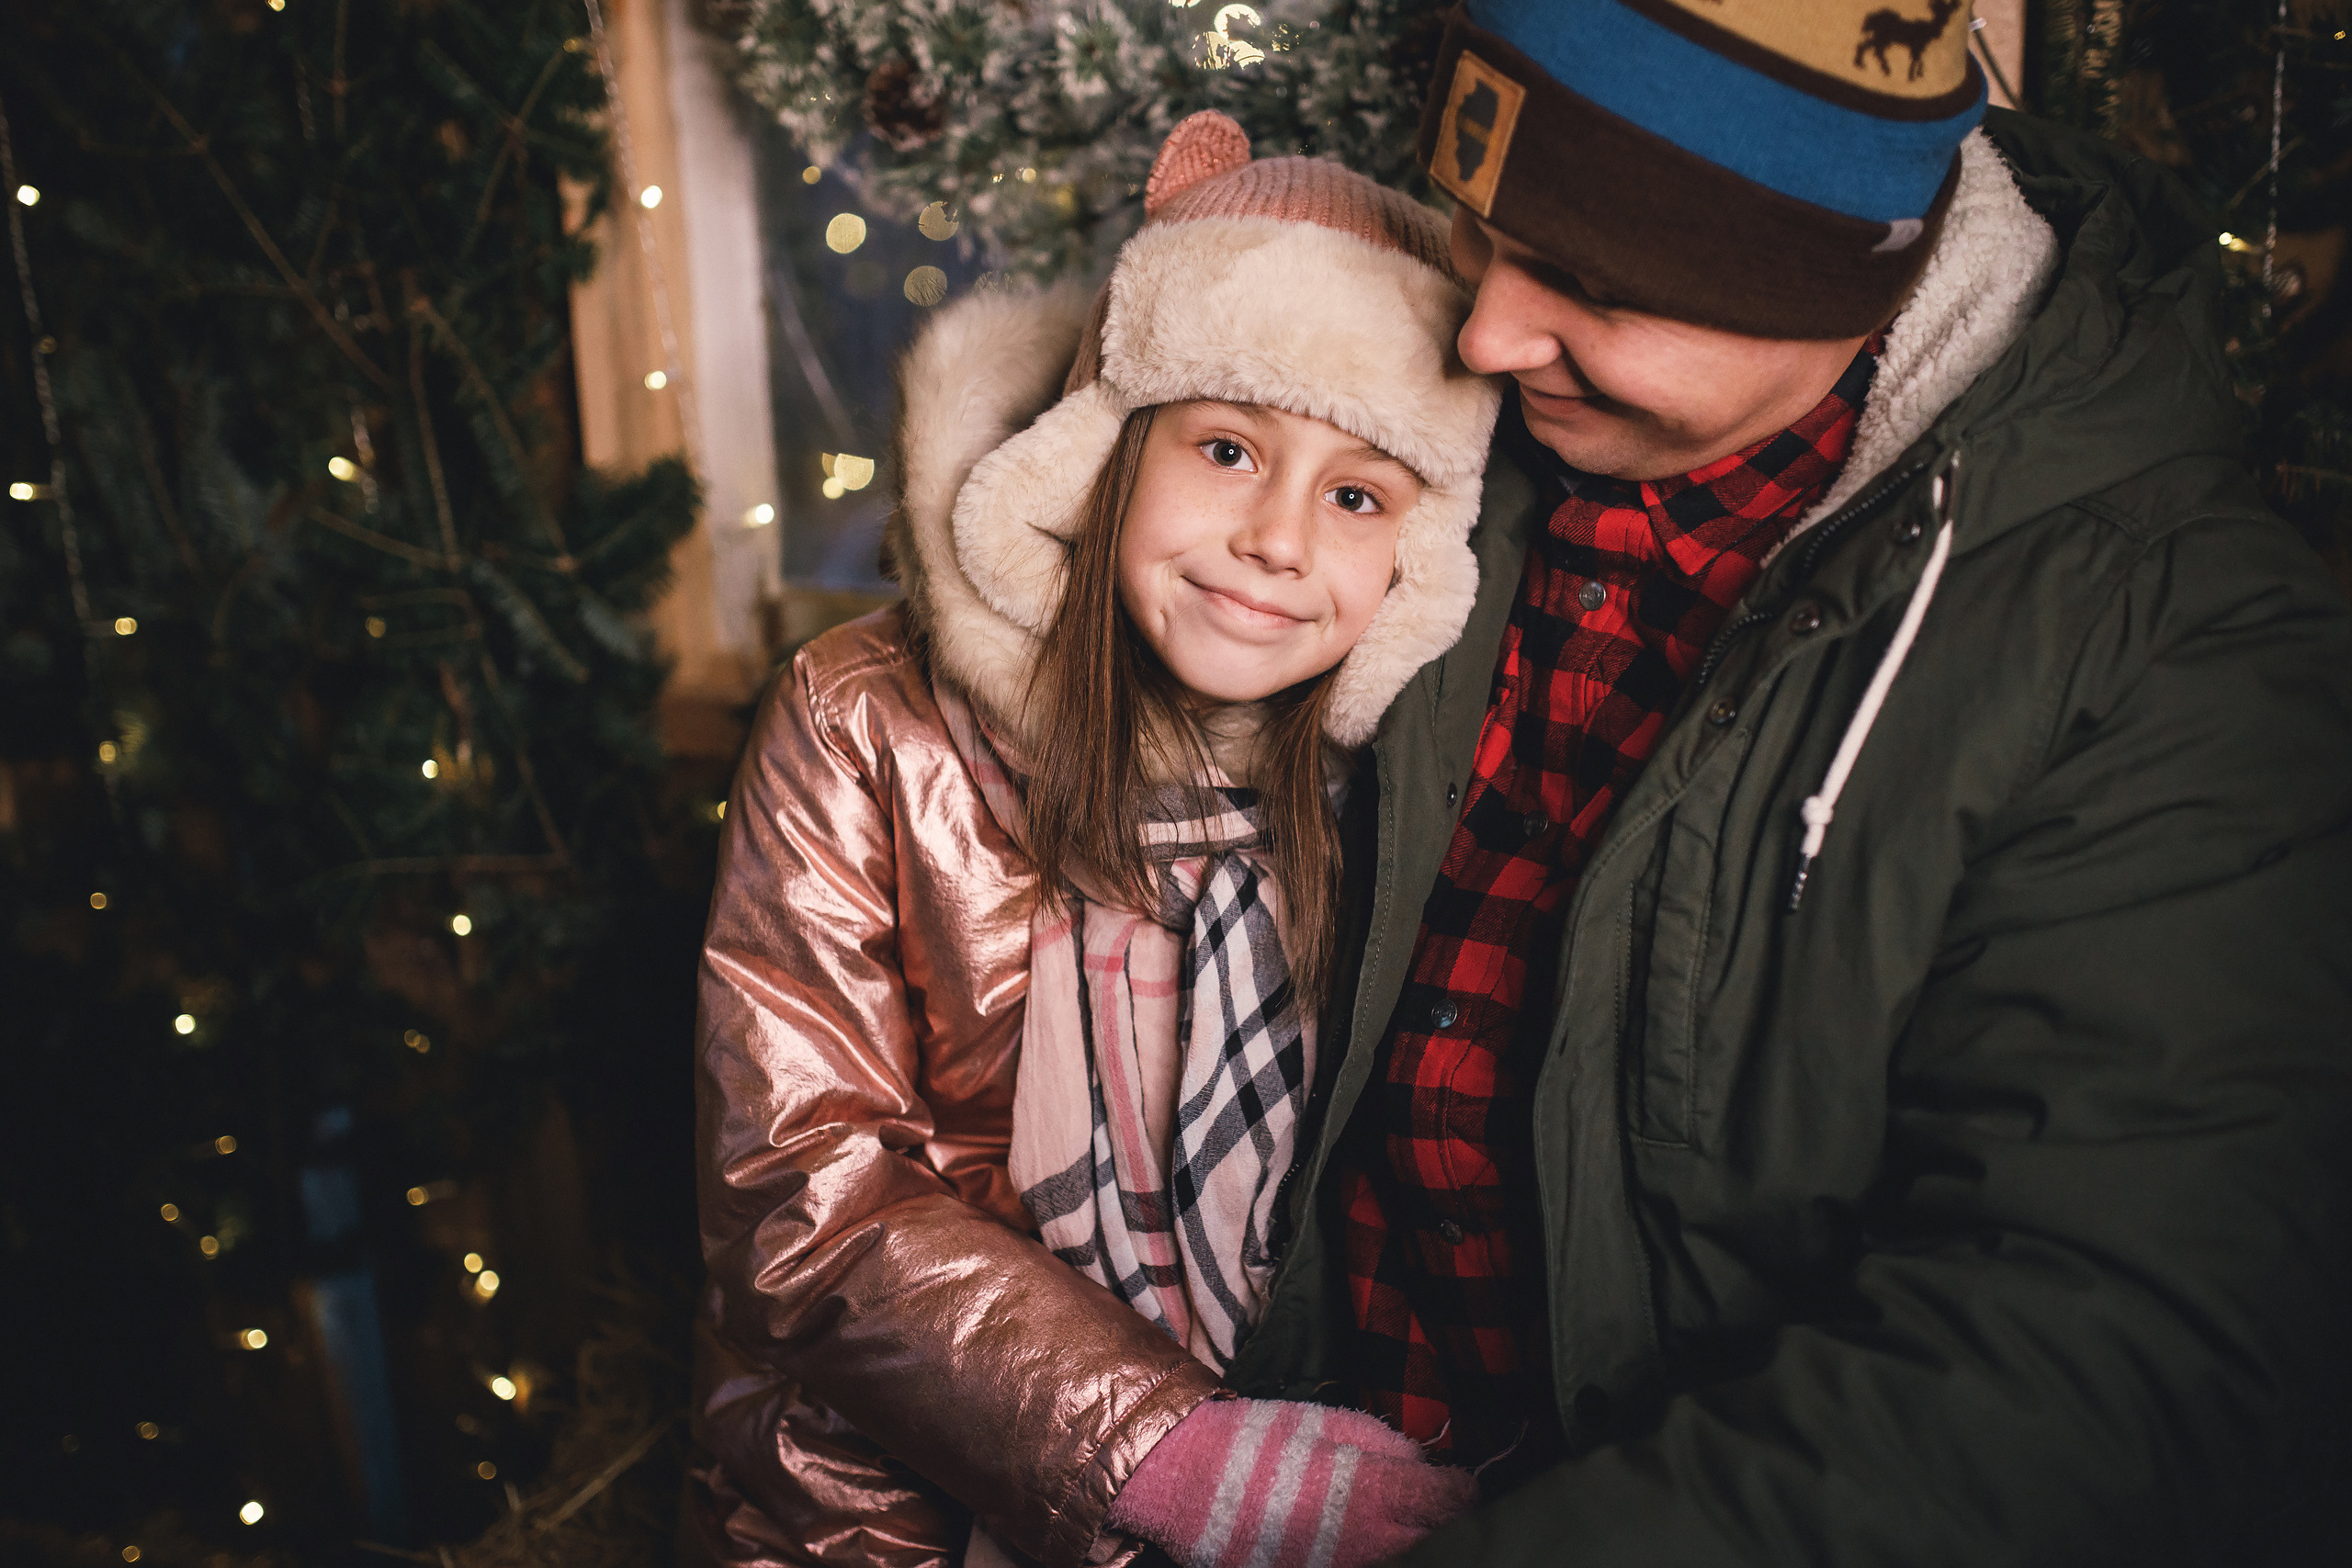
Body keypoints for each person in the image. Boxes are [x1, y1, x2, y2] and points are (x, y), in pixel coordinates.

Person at [1217, 1, 2352, 1563]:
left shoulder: (2176, 655)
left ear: (1832, 285)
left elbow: (2082, 1365)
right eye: (1480, 226)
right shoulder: (1424, 433)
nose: (1484, 336)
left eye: (1593, 284)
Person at [689, 118, 1504, 1568]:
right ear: (1104, 453)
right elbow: (797, 1188)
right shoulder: (866, 717)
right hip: (906, 1515)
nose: (1277, 539)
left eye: (1357, 495)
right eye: (1229, 448)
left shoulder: (1411, 776)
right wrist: (1164, 1451)